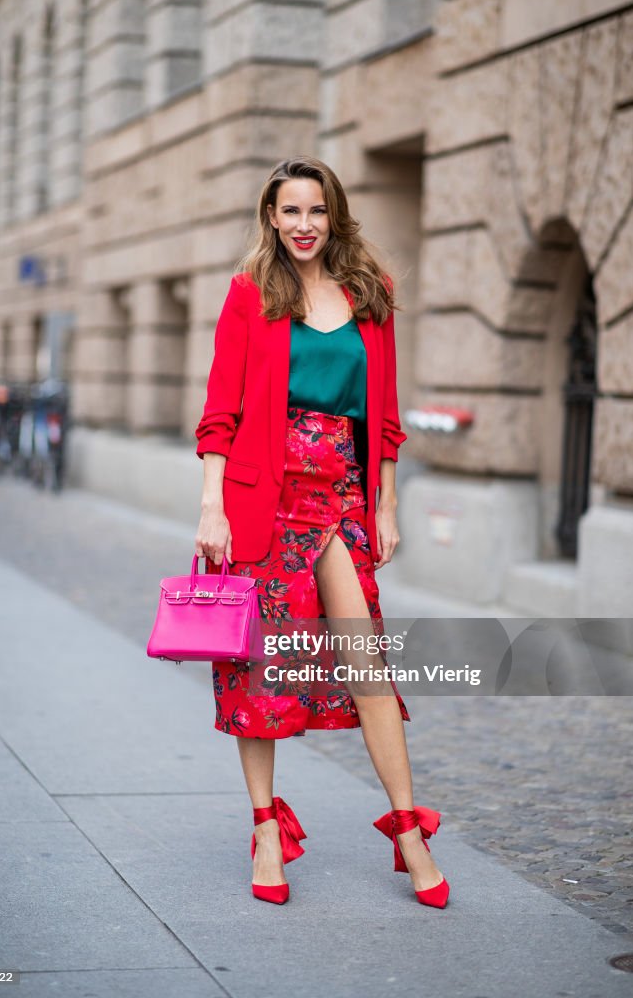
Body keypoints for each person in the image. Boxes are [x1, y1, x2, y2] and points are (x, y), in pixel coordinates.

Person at [194, 156, 450, 909]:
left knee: (366, 661)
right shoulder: (252, 295)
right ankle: (267, 830)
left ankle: (408, 832)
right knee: (261, 670)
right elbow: (221, 410)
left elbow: (387, 414)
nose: (303, 225)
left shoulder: (372, 295)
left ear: (333, 215)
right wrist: (212, 501)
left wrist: (388, 503)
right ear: (271, 218)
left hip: (339, 496)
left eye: (316, 211)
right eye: (290, 212)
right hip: (259, 496)